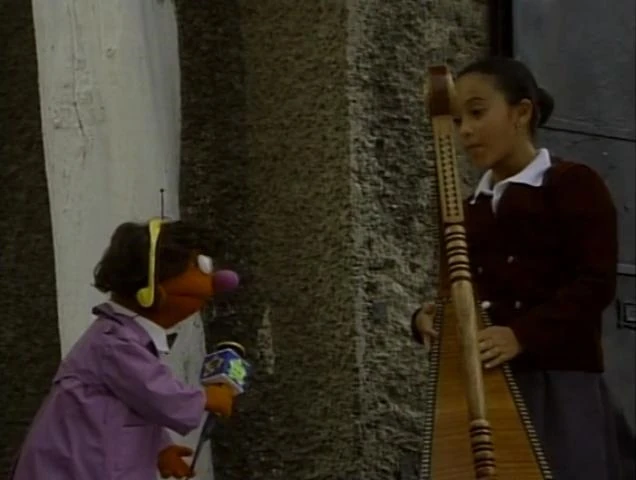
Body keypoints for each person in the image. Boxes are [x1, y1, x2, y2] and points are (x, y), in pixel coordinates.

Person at [411, 57, 623, 480]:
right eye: (457, 120)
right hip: (488, 388)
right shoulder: (466, 210)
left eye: (477, 113)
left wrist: (520, 334)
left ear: (521, 112)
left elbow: (596, 283)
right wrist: (428, 317)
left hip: (557, 384)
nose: (465, 131)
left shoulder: (571, 183)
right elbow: (457, 291)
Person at [11, 219, 241, 479]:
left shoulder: (124, 337)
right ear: (151, 289)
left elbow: (135, 404)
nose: (219, 280)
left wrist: (160, 448)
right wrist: (205, 398)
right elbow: (157, 392)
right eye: (199, 267)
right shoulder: (114, 343)